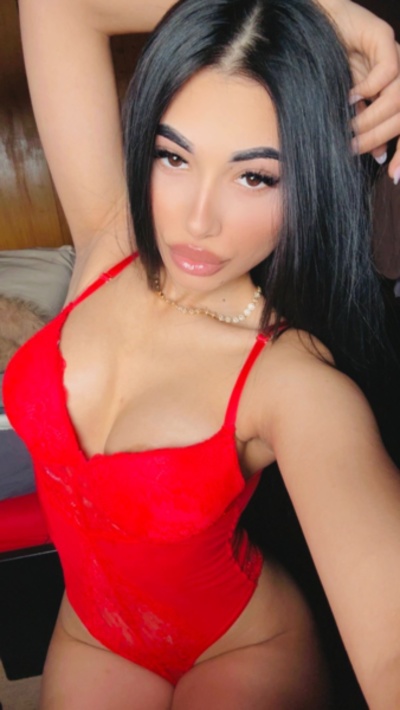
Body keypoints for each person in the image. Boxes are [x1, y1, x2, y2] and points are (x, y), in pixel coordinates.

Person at [4, 0, 400, 707]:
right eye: (174, 156)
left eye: (255, 177)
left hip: (244, 647)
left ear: (309, 182)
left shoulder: (290, 380)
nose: (196, 220)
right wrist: (315, 14)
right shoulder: (110, 241)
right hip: (92, 633)